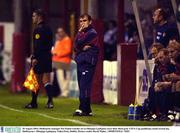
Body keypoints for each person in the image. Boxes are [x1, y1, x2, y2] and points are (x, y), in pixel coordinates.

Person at [25, 9, 54, 109]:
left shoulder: (38, 29)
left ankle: (33, 103)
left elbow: (38, 45)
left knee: (36, 80)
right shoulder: (49, 28)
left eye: (34, 16)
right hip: (47, 57)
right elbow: (50, 44)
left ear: (39, 17)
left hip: (40, 57)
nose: (33, 18)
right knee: (46, 80)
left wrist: (34, 57)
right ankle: (50, 101)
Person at [73, 13, 99, 116]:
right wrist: (81, 47)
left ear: (90, 22)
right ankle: (86, 109)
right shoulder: (81, 33)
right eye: (81, 21)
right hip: (81, 61)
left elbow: (79, 44)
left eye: (84, 21)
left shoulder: (92, 33)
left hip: (88, 62)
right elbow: (75, 46)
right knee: (82, 86)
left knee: (85, 86)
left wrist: (80, 45)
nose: (82, 23)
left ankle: (83, 108)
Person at [51, 27, 72, 97]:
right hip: (58, 62)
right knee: (60, 78)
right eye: (58, 32)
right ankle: (63, 92)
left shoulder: (67, 40)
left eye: (61, 31)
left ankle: (65, 93)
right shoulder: (58, 40)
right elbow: (55, 49)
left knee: (65, 78)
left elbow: (67, 50)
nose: (59, 33)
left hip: (64, 62)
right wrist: (54, 52)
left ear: (64, 32)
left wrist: (57, 53)